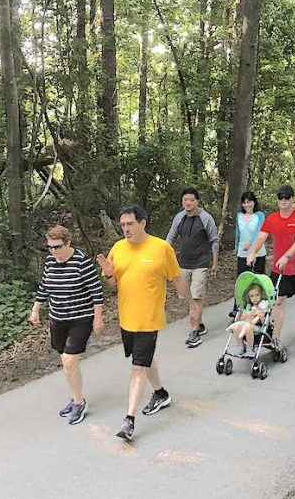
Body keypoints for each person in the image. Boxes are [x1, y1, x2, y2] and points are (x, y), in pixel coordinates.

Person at [97, 205, 198, 443]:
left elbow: (177, 279)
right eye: (122, 225)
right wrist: (110, 274)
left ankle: (129, 421)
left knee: (138, 367)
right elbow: (112, 285)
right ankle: (161, 394)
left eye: (129, 224)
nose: (125, 229)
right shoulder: (118, 248)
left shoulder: (161, 248)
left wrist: (193, 305)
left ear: (143, 223)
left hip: (149, 319)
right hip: (127, 319)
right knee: (145, 358)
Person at [29, 225, 105, 425]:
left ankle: (79, 403)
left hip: (81, 317)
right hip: (58, 318)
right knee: (65, 362)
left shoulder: (82, 262)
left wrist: (98, 318)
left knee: (69, 361)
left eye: (57, 247)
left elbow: (97, 291)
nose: (54, 251)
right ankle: (75, 397)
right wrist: (36, 308)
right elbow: (45, 286)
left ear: (68, 243)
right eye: (50, 247)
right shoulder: (49, 262)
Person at [247, 184, 295, 345]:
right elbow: (261, 237)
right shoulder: (272, 219)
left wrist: (287, 256)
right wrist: (253, 252)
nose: (283, 200)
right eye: (280, 198)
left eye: (286, 198)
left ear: (292, 199)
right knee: (278, 301)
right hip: (279, 269)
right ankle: (275, 337)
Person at [166, 187, 219, 348]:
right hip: (183, 263)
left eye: (191, 200)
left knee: (196, 297)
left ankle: (194, 332)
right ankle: (200, 323)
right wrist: (162, 254)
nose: (188, 203)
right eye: (185, 200)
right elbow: (170, 237)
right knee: (187, 298)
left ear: (197, 201)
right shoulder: (179, 218)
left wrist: (214, 262)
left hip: (201, 263)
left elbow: (214, 240)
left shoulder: (205, 218)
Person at [230, 191, 266, 317]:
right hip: (242, 253)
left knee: (257, 279)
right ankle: (238, 307)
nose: (247, 205)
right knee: (242, 279)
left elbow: (259, 231)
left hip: (258, 252)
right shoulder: (239, 215)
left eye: (249, 202)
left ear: (254, 202)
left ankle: (261, 307)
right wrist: (237, 247)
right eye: (244, 202)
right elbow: (238, 233)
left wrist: (250, 244)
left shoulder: (259, 215)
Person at [226, 283, 269, 358]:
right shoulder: (248, 306)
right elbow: (242, 319)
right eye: (252, 296)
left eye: (257, 295)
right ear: (249, 297)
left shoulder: (263, 304)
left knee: (248, 327)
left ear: (261, 295)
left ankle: (250, 349)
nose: (255, 298)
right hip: (246, 324)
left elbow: (263, 321)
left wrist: (258, 314)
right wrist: (245, 315)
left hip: (258, 327)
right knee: (236, 327)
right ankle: (241, 347)